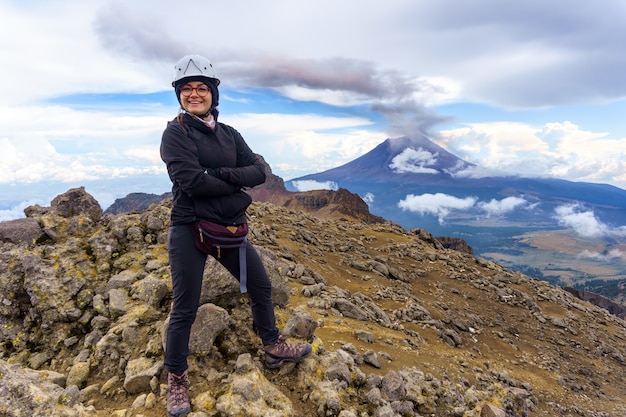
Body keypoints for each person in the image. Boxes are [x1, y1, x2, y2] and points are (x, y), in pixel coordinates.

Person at [159, 55, 312, 417]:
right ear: (179, 95)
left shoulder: (229, 133)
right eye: (187, 89)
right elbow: (191, 181)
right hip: (189, 230)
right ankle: (177, 378)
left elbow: (260, 171)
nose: (194, 94)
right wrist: (235, 182)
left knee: (260, 286)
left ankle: (272, 344)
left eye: (201, 88)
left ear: (212, 93)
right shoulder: (175, 133)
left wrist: (220, 174)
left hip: (229, 229)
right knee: (185, 307)